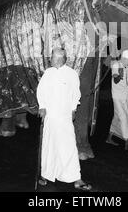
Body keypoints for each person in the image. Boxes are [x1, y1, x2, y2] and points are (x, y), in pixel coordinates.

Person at [36, 48, 92, 191]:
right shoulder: (48, 73)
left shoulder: (71, 74)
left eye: (53, 58)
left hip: (64, 116)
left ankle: (76, 178)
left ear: (60, 60)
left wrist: (73, 109)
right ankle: (46, 175)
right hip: (50, 116)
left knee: (68, 146)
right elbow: (41, 90)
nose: (50, 60)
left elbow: (76, 93)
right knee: (49, 145)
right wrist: (42, 106)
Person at [106, 50, 128, 152]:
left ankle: (109, 138)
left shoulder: (127, 67)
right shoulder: (116, 65)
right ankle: (127, 143)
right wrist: (118, 76)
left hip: (125, 96)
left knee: (117, 117)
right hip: (117, 97)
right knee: (124, 116)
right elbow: (115, 77)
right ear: (124, 58)